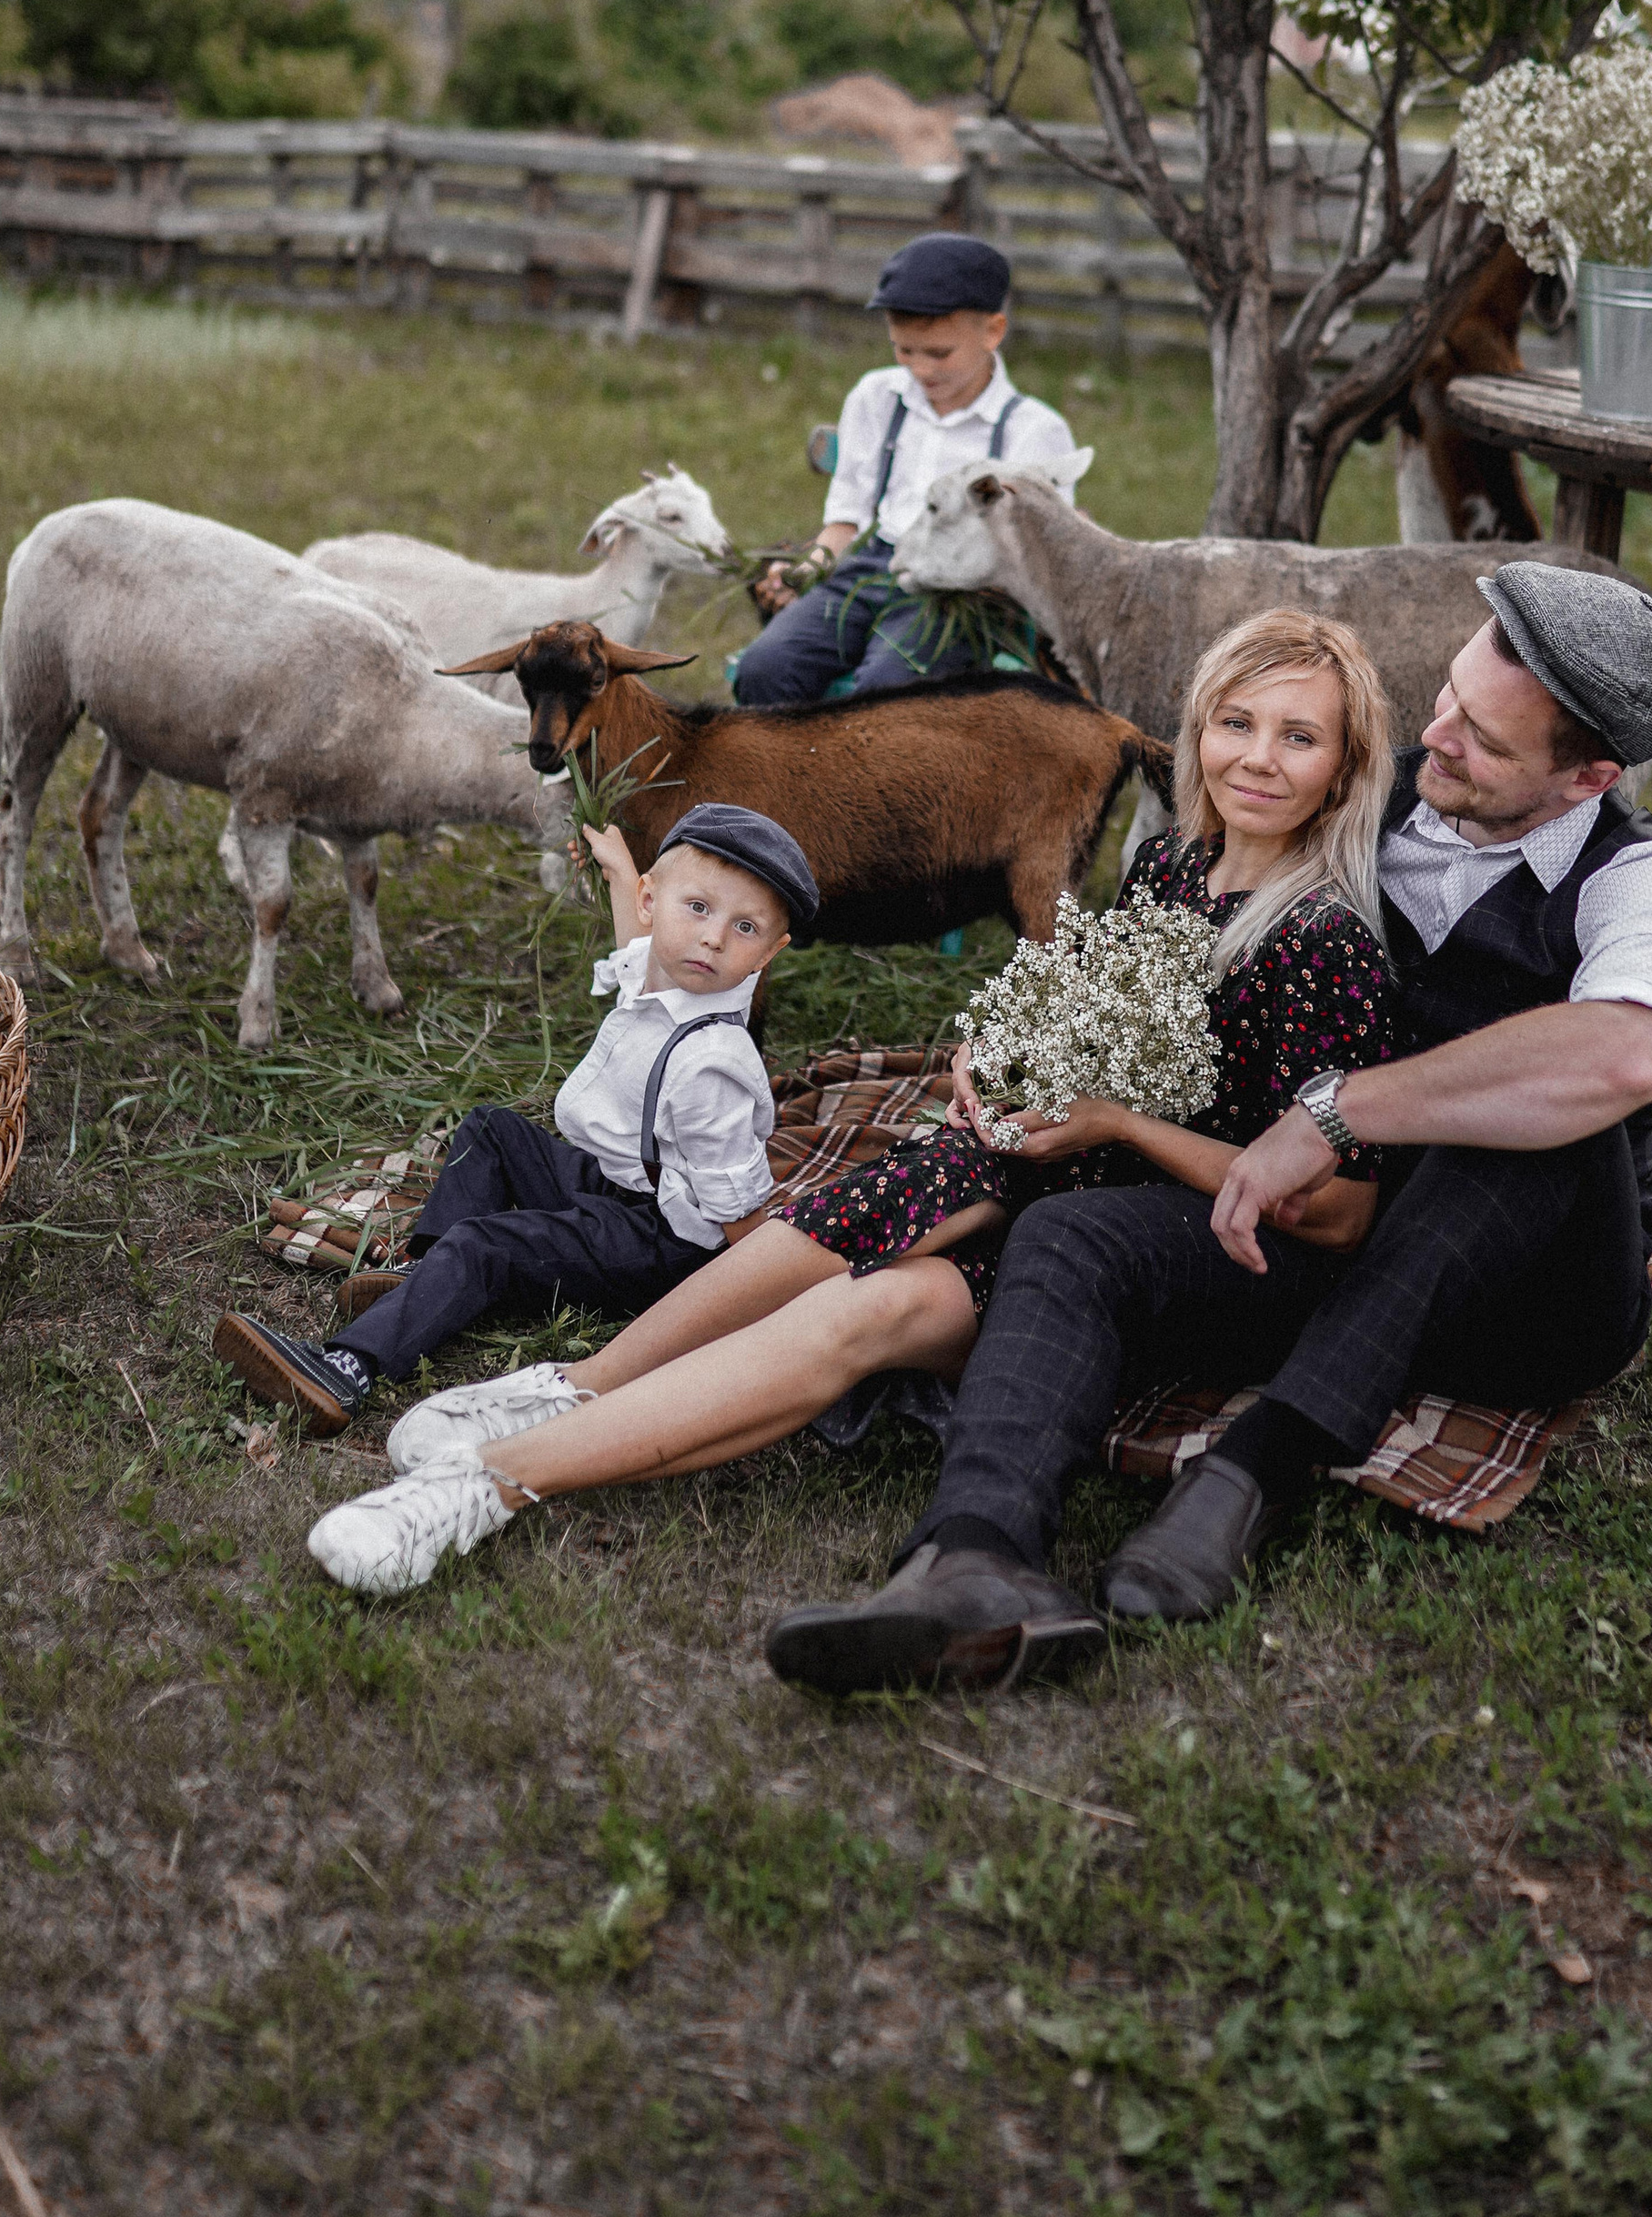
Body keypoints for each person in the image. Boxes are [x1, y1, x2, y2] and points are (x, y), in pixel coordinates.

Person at [302, 609, 1407, 1597]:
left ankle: (489, 1485)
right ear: (1199, 728)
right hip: (1080, 1170)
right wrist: (1003, 1055)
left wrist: (1118, 1124)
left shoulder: (1327, 943)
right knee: (910, 1181)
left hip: (1200, 1247)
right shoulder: (1169, 866)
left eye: (1298, 738)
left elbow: (1339, 1213)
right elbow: (1086, 1023)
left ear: (1346, 769)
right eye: (1236, 723)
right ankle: (576, 1387)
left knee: (866, 1311)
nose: (1256, 757)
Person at [761, 564, 1652, 1696]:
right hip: (1323, 1237)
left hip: (1526, 1298)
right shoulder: (1358, 806)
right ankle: (975, 1565)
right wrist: (1029, 1046)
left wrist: (1337, 1112)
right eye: (1448, 698)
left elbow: (1628, 1053)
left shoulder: (1641, 879)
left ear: (1587, 778)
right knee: (1068, 1239)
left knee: (1551, 1105)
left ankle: (1253, 1470)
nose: (1437, 737)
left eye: (1483, 740)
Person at [214, 801, 813, 1439]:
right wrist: (618, 869)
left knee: (486, 1246)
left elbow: (736, 1212)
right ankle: (421, 1277)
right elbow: (637, 948)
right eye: (696, 907)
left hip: (662, 1246)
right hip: (623, 1185)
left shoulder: (713, 1066)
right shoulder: (672, 979)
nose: (713, 937)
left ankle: (347, 1369)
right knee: (490, 1131)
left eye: (744, 927)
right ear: (651, 900)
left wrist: (775, 1309)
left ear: (768, 953)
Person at [730, 231, 1081, 707]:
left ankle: (862, 756)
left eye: (939, 353)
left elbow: (1036, 555)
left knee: (886, 692)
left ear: (992, 332)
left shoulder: (1032, 430)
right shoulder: (876, 397)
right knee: (764, 669)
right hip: (869, 570)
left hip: (960, 594)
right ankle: (796, 759)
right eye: (904, 350)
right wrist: (806, 570)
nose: (920, 369)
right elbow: (847, 520)